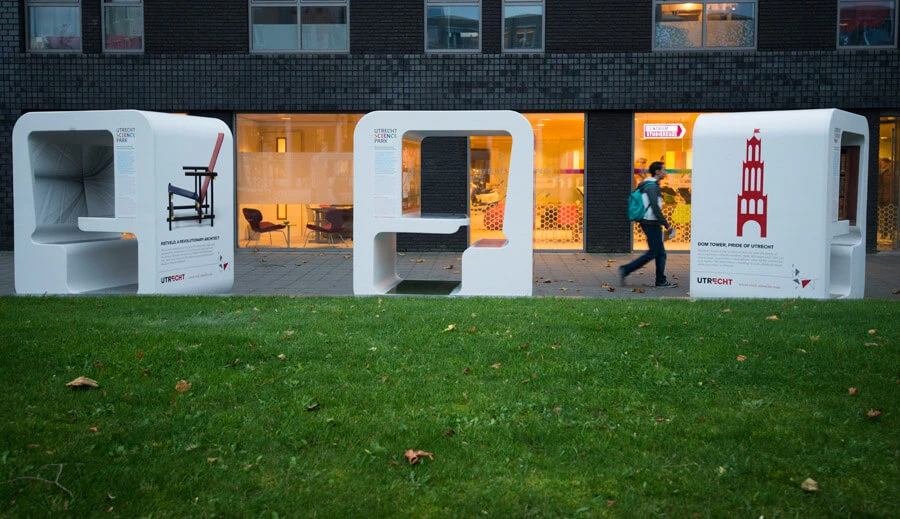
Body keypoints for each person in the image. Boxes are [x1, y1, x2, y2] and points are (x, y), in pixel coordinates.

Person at [619, 161, 676, 288]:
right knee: (653, 253)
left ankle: (661, 280)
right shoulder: (652, 187)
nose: (665, 172)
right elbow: (655, 208)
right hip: (651, 222)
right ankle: (626, 269)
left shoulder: (649, 185)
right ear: (657, 171)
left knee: (660, 253)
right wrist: (667, 225)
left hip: (650, 222)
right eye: (663, 170)